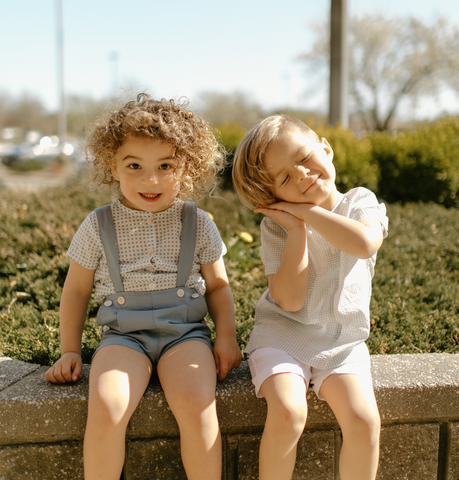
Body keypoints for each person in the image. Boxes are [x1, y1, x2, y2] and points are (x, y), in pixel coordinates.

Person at [45, 93, 242, 480]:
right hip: (123, 337)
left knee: (197, 402)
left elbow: (218, 286)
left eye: (165, 165)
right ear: (112, 167)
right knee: (107, 404)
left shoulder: (198, 222)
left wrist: (227, 337)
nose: (149, 180)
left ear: (187, 168)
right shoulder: (97, 225)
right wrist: (69, 350)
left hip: (185, 336)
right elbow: (76, 292)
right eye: (134, 165)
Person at [232, 114, 388, 480]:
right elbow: (288, 300)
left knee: (364, 420)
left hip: (342, 341)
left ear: (326, 148)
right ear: (273, 197)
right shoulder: (276, 226)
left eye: (303, 158)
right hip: (283, 337)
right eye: (285, 178)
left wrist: (307, 211)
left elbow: (364, 244)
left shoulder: (359, 202)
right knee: (289, 411)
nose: (301, 174)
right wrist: (296, 228)